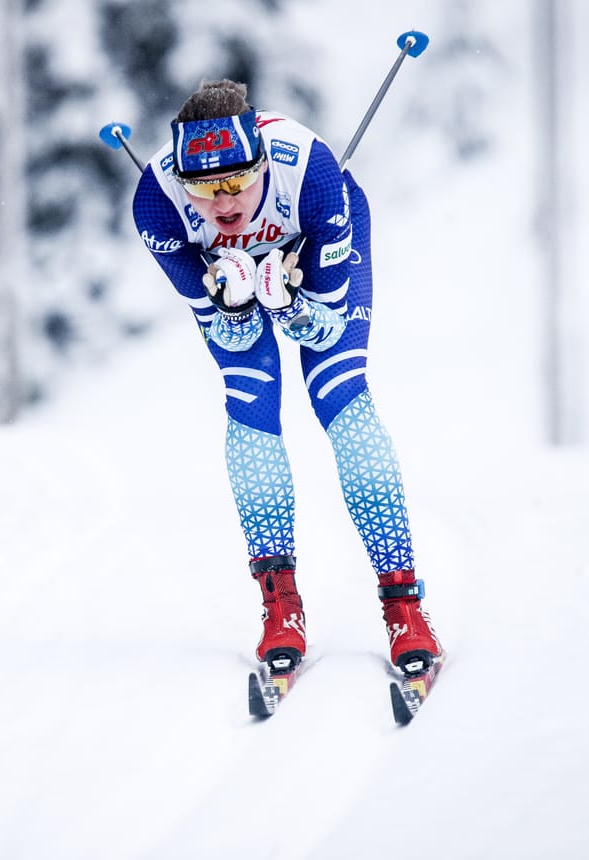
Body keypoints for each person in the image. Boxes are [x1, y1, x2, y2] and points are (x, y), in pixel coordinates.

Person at [131, 79, 443, 677]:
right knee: (249, 405)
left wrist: (286, 303)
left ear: (261, 166)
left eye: (237, 184)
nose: (222, 203)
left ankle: (405, 605)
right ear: (181, 180)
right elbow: (234, 338)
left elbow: (323, 331)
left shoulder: (314, 174)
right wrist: (230, 303)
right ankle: (281, 607)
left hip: (314, 255)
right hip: (236, 280)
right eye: (204, 188)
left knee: (341, 398)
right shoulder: (156, 201)